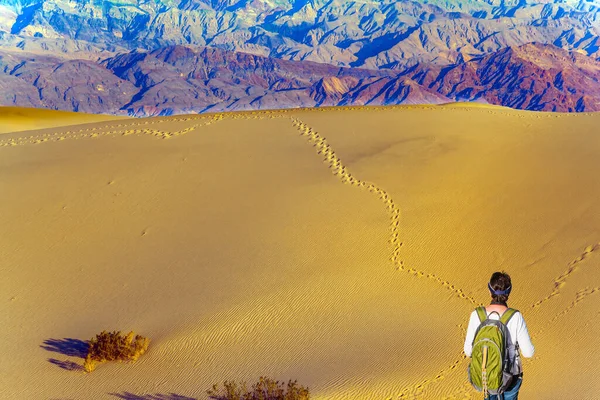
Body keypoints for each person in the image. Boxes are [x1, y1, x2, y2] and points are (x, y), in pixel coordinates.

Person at [464, 271, 535, 400]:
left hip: (486, 375)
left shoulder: (477, 315)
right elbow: (529, 353)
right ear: (508, 293)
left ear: (489, 290)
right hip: (511, 378)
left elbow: (468, 351)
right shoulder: (515, 316)